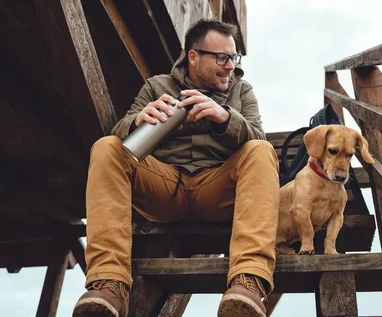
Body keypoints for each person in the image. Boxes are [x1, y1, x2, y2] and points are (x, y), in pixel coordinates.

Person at [73, 19, 280, 317]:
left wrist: (225, 117)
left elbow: (260, 141)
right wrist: (137, 120)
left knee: (259, 151)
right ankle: (109, 285)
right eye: (221, 58)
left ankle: (248, 281)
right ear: (193, 56)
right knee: (106, 146)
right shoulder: (157, 86)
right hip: (164, 188)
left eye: (233, 58)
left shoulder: (242, 91)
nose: (230, 66)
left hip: (217, 190)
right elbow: (119, 133)